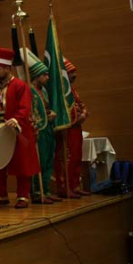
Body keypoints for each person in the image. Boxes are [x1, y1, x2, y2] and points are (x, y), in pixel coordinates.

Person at [0, 48, 40, 209]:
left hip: (17, 131)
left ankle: (23, 196)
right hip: (0, 132)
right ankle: (0, 195)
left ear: (7, 69)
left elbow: (25, 107)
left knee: (22, 165)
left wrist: (16, 119)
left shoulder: (20, 86)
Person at [55, 59, 90, 198]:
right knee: (66, 159)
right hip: (67, 130)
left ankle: (75, 185)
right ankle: (65, 187)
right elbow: (61, 111)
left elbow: (82, 105)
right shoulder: (60, 93)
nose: (74, 75)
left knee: (77, 156)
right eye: (71, 72)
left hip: (77, 129)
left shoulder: (73, 91)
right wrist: (76, 118)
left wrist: (84, 114)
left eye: (74, 72)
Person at [28, 58, 58, 204]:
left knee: (47, 161)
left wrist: (51, 113)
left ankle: (45, 190)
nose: (47, 77)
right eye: (44, 74)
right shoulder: (29, 91)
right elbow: (31, 112)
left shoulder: (44, 90)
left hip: (48, 129)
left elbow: (44, 109)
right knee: (38, 161)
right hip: (38, 130)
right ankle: (36, 192)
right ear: (36, 75)